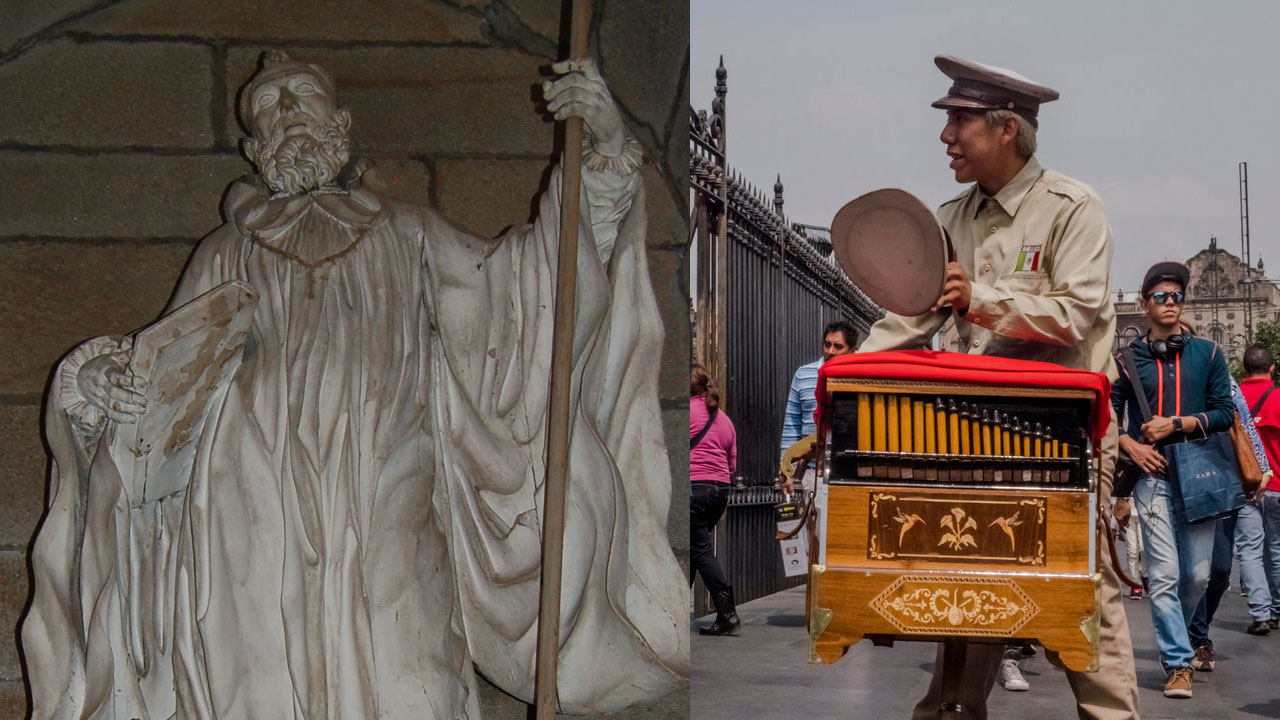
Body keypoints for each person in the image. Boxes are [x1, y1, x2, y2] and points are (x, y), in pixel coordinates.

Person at [22, 52, 687, 718]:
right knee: (262, 691)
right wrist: (99, 381)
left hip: (390, 506)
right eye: (268, 106)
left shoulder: (411, 235)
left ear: (340, 122)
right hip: (252, 525)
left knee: (415, 684)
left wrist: (602, 150)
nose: (286, 111)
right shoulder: (224, 254)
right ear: (255, 148)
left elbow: (536, 290)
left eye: (302, 95)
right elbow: (161, 388)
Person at [859, 54, 1140, 719]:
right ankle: (951, 711)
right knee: (968, 582)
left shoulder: (1073, 208)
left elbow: (1076, 311)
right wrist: (839, 381)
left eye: (959, 120)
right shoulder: (951, 216)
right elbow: (908, 316)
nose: (945, 136)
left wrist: (981, 299)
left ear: (1005, 128)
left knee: (1080, 589)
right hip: (973, 435)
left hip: (1063, 434)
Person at [1110, 261, 1234, 699]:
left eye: (1177, 296)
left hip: (1200, 475)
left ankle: (1176, 639)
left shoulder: (1209, 354)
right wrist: (1129, 444)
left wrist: (1177, 424)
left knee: (1198, 576)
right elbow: (1106, 413)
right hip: (1154, 476)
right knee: (1163, 575)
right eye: (1161, 296)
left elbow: (1225, 413)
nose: (1170, 303)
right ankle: (1178, 662)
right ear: (1145, 303)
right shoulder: (1127, 359)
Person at [1185, 377, 1275, 672]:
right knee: (1197, 568)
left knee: (1221, 571)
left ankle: (1197, 627)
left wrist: (1261, 468)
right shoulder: (1177, 380)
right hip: (1187, 478)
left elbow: (1245, 424)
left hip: (1225, 480)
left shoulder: (1227, 382)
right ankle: (1199, 639)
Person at [690, 364, 740, 636]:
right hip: (720, 491)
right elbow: (732, 464)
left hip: (695, 489)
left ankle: (728, 614)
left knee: (700, 551)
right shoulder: (724, 419)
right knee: (695, 547)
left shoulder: (687, 412)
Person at [779, 321, 855, 492]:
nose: (830, 351)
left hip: (849, 472)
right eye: (827, 345)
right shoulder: (803, 374)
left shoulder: (858, 377)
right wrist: (786, 470)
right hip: (812, 472)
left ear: (852, 350)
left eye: (838, 346)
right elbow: (792, 425)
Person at [1239, 345, 1280, 629]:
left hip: (1245, 487)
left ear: (1243, 370)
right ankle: (1276, 609)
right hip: (1277, 485)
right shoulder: (1278, 398)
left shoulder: (1232, 398)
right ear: (1272, 369)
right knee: (1276, 549)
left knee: (1250, 550)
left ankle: (1261, 614)